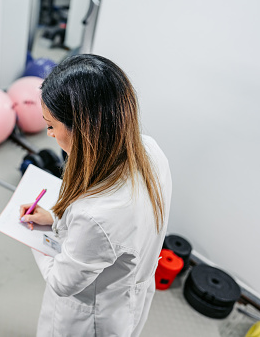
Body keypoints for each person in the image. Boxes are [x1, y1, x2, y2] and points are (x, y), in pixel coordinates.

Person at [19, 54, 172, 336]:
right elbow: (116, 236)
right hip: (128, 297)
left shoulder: (97, 215)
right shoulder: (150, 150)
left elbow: (62, 281)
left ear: (84, 131)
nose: (50, 135)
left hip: (90, 318)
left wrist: (33, 238)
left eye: (51, 125)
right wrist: (56, 217)